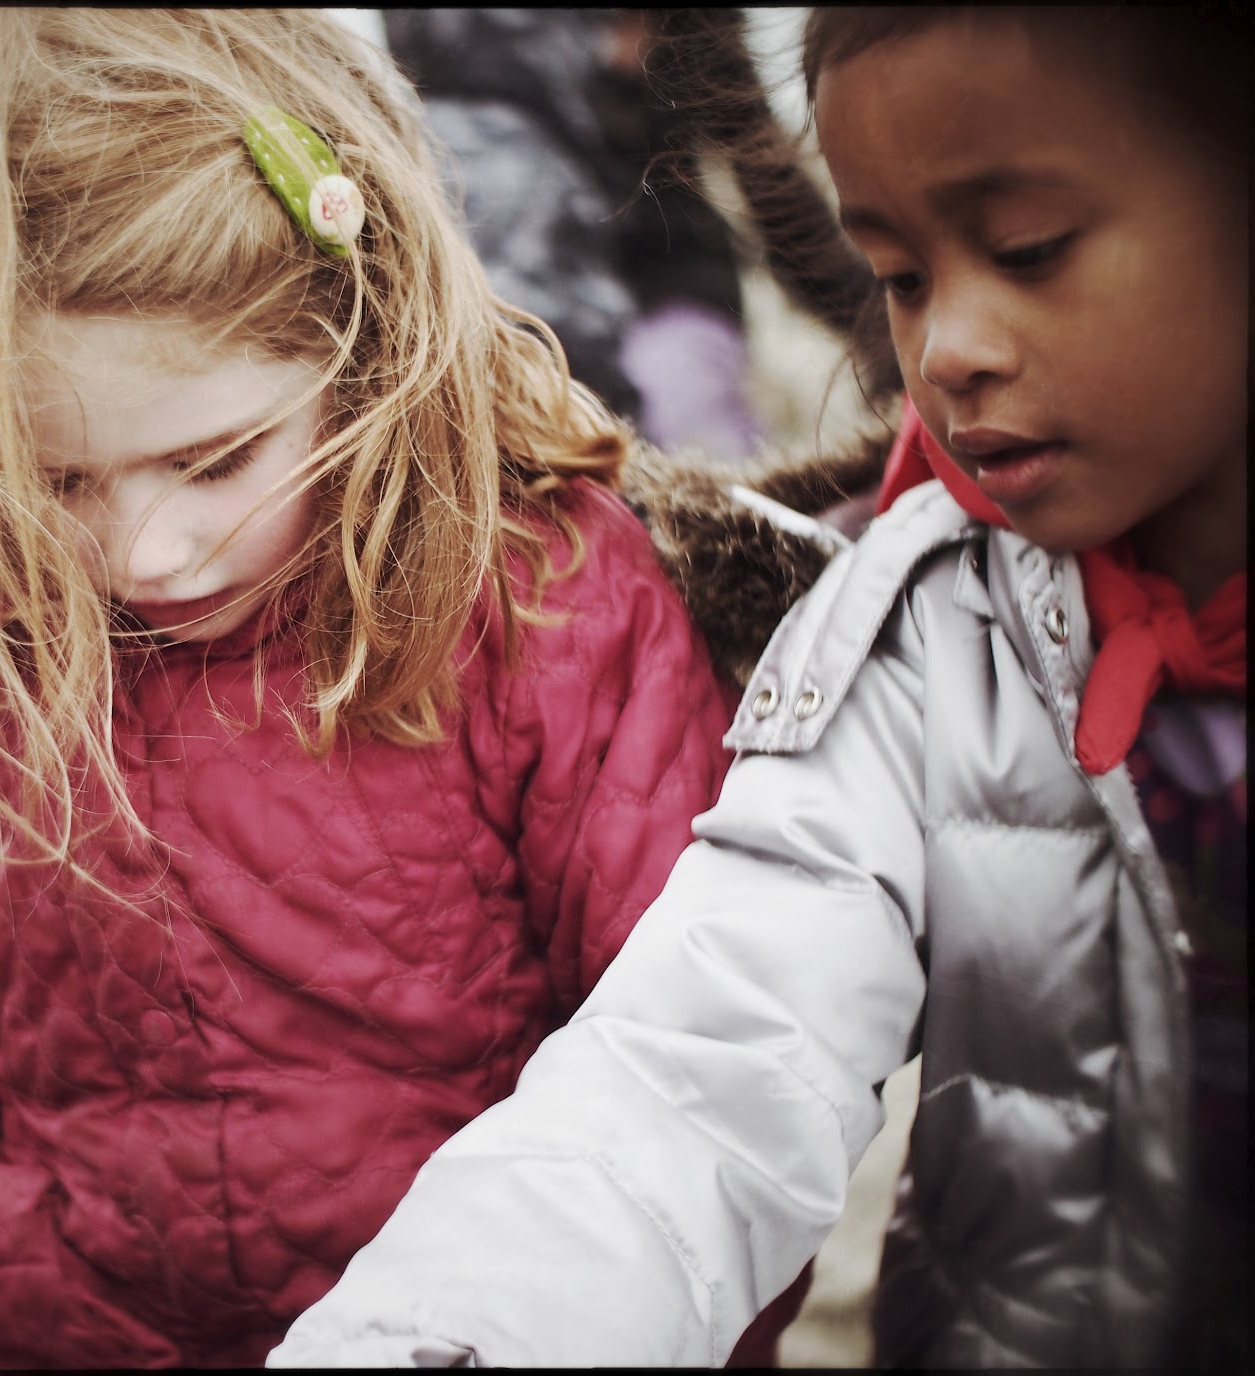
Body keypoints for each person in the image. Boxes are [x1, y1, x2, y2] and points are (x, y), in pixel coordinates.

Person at [0, 8, 775, 1367]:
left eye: (214, 459)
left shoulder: (541, 610)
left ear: (363, 343)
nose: (147, 552)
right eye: (56, 480)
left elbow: (695, 1087)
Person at [268, 5, 1250, 1368]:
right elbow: (702, 1068)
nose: (946, 347)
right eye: (899, 276)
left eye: (1028, 249)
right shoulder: (919, 638)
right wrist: (441, 1338)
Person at [381, 8, 761, 458]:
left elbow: (767, 165)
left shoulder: (682, 47)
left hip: (665, 285)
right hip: (516, 282)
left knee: (688, 430)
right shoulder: (453, 88)